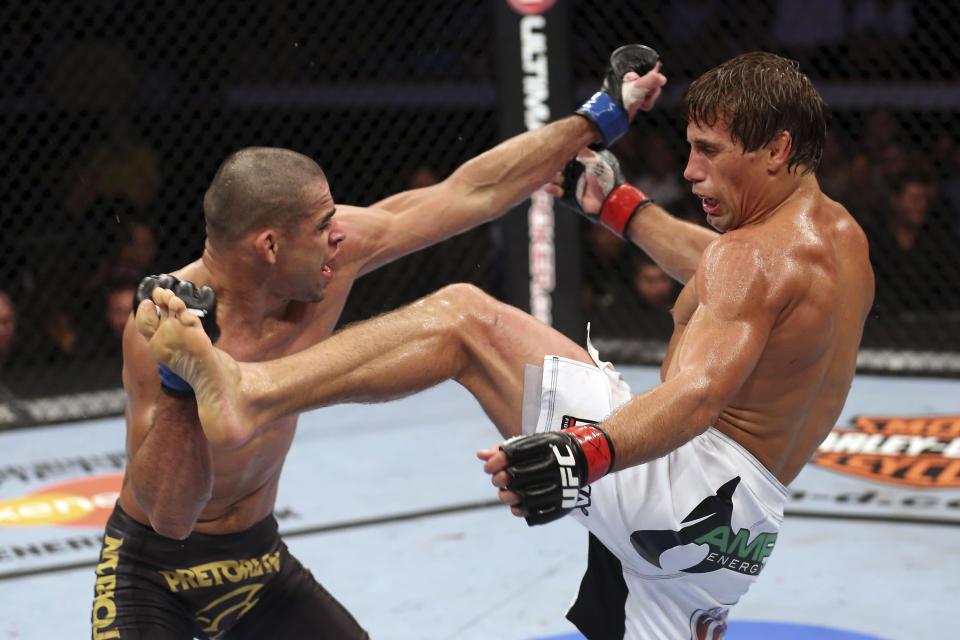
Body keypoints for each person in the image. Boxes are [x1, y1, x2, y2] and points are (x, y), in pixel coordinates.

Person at [132, 52, 874, 638]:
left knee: (464, 320)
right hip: (735, 538)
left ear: (776, 149)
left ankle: (248, 389)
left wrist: (583, 451)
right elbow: (725, 278)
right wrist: (622, 207)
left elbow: (698, 392)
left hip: (679, 478)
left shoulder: (748, 257)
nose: (690, 172)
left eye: (710, 153)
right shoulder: (836, 242)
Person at [91, 45, 666, 639]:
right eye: (322, 228)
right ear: (269, 246)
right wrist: (180, 382)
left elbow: (471, 192)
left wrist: (599, 117)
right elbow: (171, 515)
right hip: (155, 574)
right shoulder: (162, 326)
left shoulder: (331, 254)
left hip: (258, 564)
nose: (341, 236)